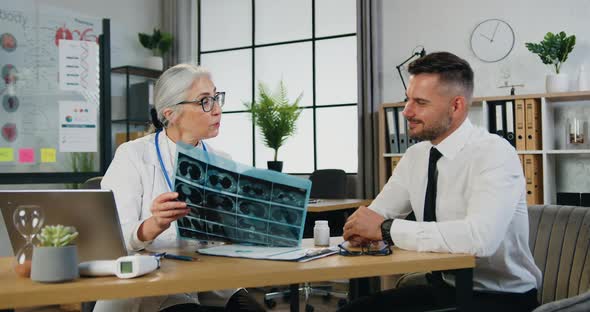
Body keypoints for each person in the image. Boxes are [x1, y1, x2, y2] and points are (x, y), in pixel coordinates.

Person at [341, 52, 542, 312]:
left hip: (500, 298)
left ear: (456, 106)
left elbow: (479, 239)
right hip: (444, 288)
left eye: (420, 103)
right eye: (407, 100)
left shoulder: (494, 153)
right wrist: (362, 227)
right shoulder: (416, 155)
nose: (406, 112)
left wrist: (386, 229)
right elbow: (375, 217)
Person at [96, 63, 265, 312]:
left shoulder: (223, 161)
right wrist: (153, 225)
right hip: (154, 288)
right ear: (171, 113)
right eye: (205, 101)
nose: (217, 110)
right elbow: (109, 238)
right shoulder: (133, 155)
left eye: (217, 98)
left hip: (212, 279)